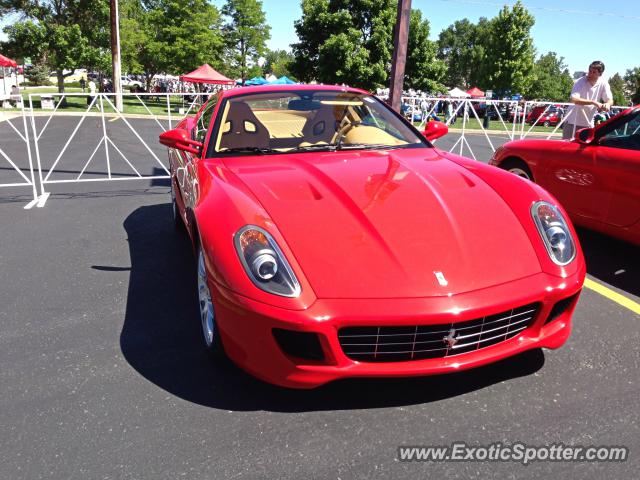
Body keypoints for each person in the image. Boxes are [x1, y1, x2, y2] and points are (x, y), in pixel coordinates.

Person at [562, 61, 613, 139]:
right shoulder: (580, 81)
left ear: (600, 74)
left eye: (594, 72)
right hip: (571, 122)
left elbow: (610, 100)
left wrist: (608, 104)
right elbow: (573, 99)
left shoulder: (604, 83)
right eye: (589, 71)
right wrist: (593, 102)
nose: (590, 74)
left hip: (588, 123)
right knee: (566, 149)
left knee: (586, 150)